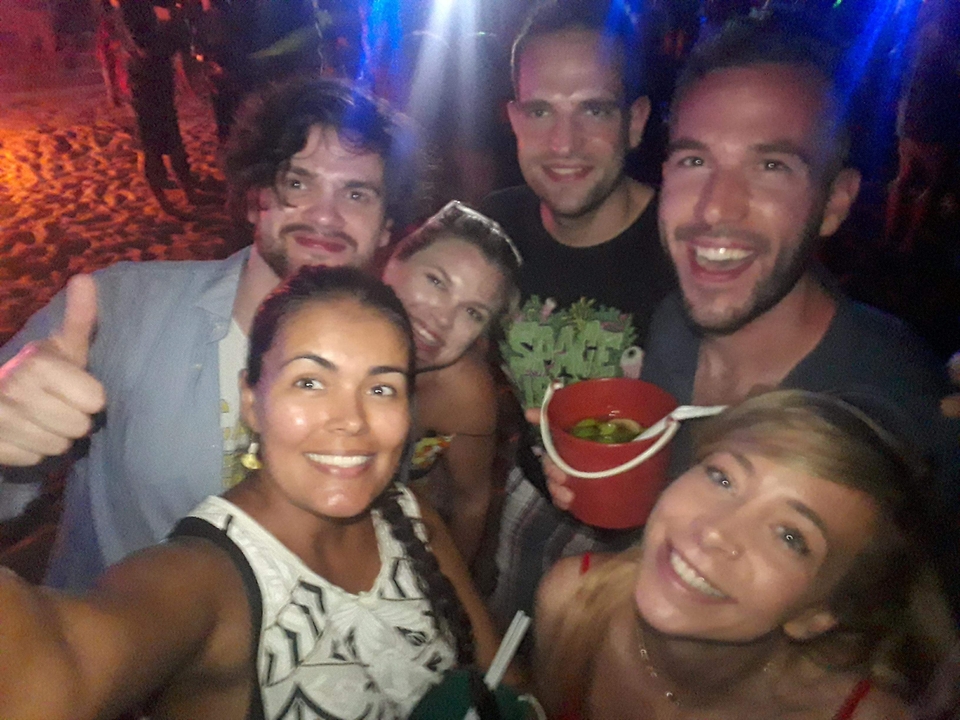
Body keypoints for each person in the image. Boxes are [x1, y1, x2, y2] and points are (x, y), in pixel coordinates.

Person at [545, 17, 960, 619]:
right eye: (693, 161)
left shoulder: (895, 416)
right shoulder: (671, 327)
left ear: (834, 202)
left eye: (771, 167)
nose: (716, 207)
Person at [0, 266, 506, 720]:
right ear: (251, 400)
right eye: (310, 382)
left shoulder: (411, 516)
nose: (351, 420)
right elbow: (54, 669)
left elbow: (500, 676)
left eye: (380, 389)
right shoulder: (208, 582)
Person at [0, 77, 416, 591]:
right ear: (255, 200)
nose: (325, 216)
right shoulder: (122, 310)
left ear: (386, 228)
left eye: (356, 193)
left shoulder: (388, 373)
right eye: (298, 183)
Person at [535, 390, 952, 720]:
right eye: (722, 477)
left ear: (817, 615)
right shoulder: (572, 598)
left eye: (790, 537)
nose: (716, 530)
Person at [478, 0, 676, 631]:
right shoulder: (488, 233)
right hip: (529, 510)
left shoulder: (693, 249)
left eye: (594, 108)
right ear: (513, 119)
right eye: (540, 111)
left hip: (666, 540)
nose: (563, 144)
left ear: (636, 121)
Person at [381, 200, 522, 567]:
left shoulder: (462, 393)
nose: (443, 319)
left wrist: (445, 598)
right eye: (436, 281)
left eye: (473, 312)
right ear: (394, 261)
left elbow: (471, 504)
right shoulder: (321, 328)